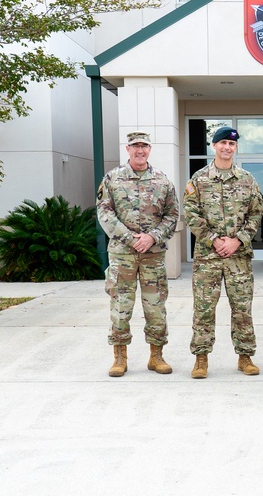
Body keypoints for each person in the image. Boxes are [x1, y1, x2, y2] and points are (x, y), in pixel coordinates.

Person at [183, 126, 263, 379]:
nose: (227, 148)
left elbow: (256, 213)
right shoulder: (199, 179)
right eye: (222, 144)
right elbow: (191, 213)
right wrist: (214, 240)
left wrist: (238, 240)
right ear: (214, 146)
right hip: (208, 257)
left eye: (231, 144)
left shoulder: (247, 179)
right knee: (204, 308)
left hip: (238, 257)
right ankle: (201, 358)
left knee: (242, 308)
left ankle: (245, 357)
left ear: (235, 148)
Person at [96, 131, 179, 377]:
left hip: (153, 255)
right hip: (123, 254)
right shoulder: (112, 178)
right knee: (121, 305)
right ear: (127, 149)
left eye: (144, 146)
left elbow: (172, 215)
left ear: (150, 149)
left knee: (155, 306)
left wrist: (152, 237)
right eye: (135, 146)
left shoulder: (162, 180)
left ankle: (156, 356)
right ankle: (120, 357)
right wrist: (131, 238)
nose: (140, 150)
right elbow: (104, 213)